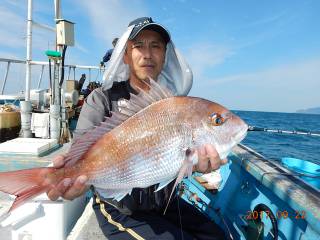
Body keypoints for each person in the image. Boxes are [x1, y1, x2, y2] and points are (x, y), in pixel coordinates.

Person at [48, 17, 227, 239]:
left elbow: (176, 159)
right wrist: (73, 177)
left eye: (156, 46)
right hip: (118, 207)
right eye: (138, 46)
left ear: (165, 56)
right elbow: (80, 154)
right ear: (125, 55)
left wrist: (196, 165)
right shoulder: (101, 100)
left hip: (164, 202)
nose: (147, 53)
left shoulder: (175, 106)